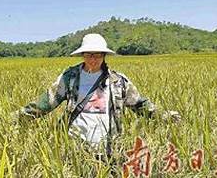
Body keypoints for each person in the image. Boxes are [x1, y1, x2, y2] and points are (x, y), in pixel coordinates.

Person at [14, 33, 180, 157]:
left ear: (104, 55)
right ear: (83, 55)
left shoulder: (118, 82)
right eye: (88, 54)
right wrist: (19, 117)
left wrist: (164, 116)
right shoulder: (70, 77)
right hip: (74, 146)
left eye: (98, 54)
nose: (93, 59)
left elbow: (140, 105)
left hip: (107, 148)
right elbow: (47, 101)